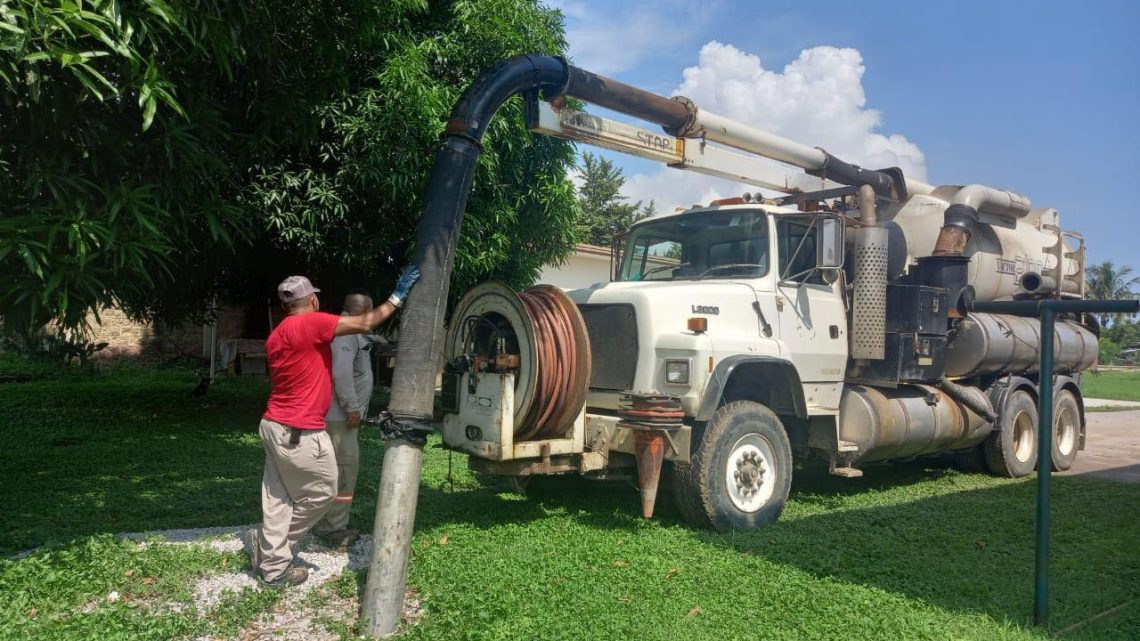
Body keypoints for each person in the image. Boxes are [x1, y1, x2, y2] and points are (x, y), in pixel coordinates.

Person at [247, 267, 419, 587]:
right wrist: (397, 296)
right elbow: (366, 322)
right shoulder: (311, 322)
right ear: (312, 300)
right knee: (325, 491)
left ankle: (272, 567)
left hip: (273, 425)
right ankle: (274, 550)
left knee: (278, 498)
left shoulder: (277, 334)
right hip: (300, 430)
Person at [311, 290, 382, 547]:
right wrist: (352, 407)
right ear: (364, 312)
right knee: (344, 469)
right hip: (339, 416)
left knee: (335, 468)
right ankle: (332, 528)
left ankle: (324, 522)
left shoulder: (349, 332)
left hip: (338, 415)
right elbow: (341, 373)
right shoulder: (347, 334)